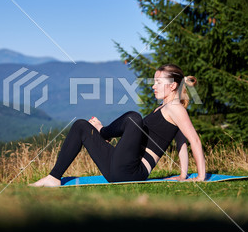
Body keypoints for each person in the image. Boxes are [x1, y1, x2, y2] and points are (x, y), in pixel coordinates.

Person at [30, 64, 206, 187]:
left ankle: (103, 131)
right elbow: (180, 143)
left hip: (134, 170)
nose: (153, 86)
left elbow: (191, 141)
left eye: (158, 82)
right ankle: (53, 177)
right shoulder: (163, 108)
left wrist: (200, 176)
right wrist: (183, 175)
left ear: (173, 85)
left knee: (134, 118)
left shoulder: (176, 108)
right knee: (81, 126)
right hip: (117, 168)